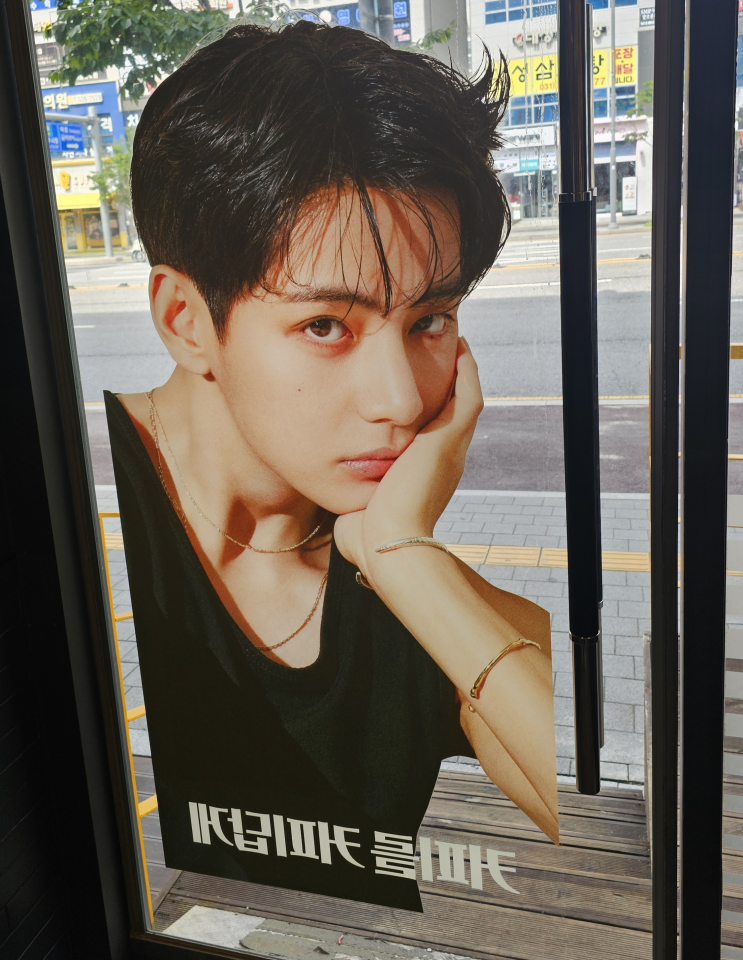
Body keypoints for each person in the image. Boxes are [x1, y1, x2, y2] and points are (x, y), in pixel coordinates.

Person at [105, 18, 558, 912]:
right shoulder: (79, 514)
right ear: (186, 321)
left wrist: (401, 555)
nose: (400, 398)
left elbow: (639, 814)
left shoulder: (398, 576)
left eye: (430, 319)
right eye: (324, 325)